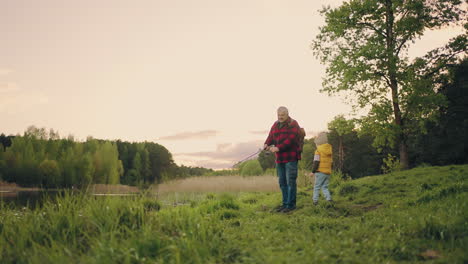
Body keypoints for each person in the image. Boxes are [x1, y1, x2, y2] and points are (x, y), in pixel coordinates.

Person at [264, 106, 302, 213]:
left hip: (291, 158)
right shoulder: (275, 125)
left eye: (282, 115)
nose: (280, 117)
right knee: (282, 182)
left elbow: (291, 139)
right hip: (279, 159)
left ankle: (291, 205)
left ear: (287, 114)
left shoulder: (293, 124)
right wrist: (266, 143)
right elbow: (270, 136)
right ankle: (285, 204)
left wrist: (278, 148)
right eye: (279, 115)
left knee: (291, 182)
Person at [309, 132, 333, 205]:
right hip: (327, 172)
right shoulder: (329, 149)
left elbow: (316, 162)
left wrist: (313, 171)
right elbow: (331, 162)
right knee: (325, 187)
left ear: (318, 143)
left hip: (320, 171)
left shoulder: (318, 150)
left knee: (317, 187)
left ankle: (315, 201)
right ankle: (328, 199)